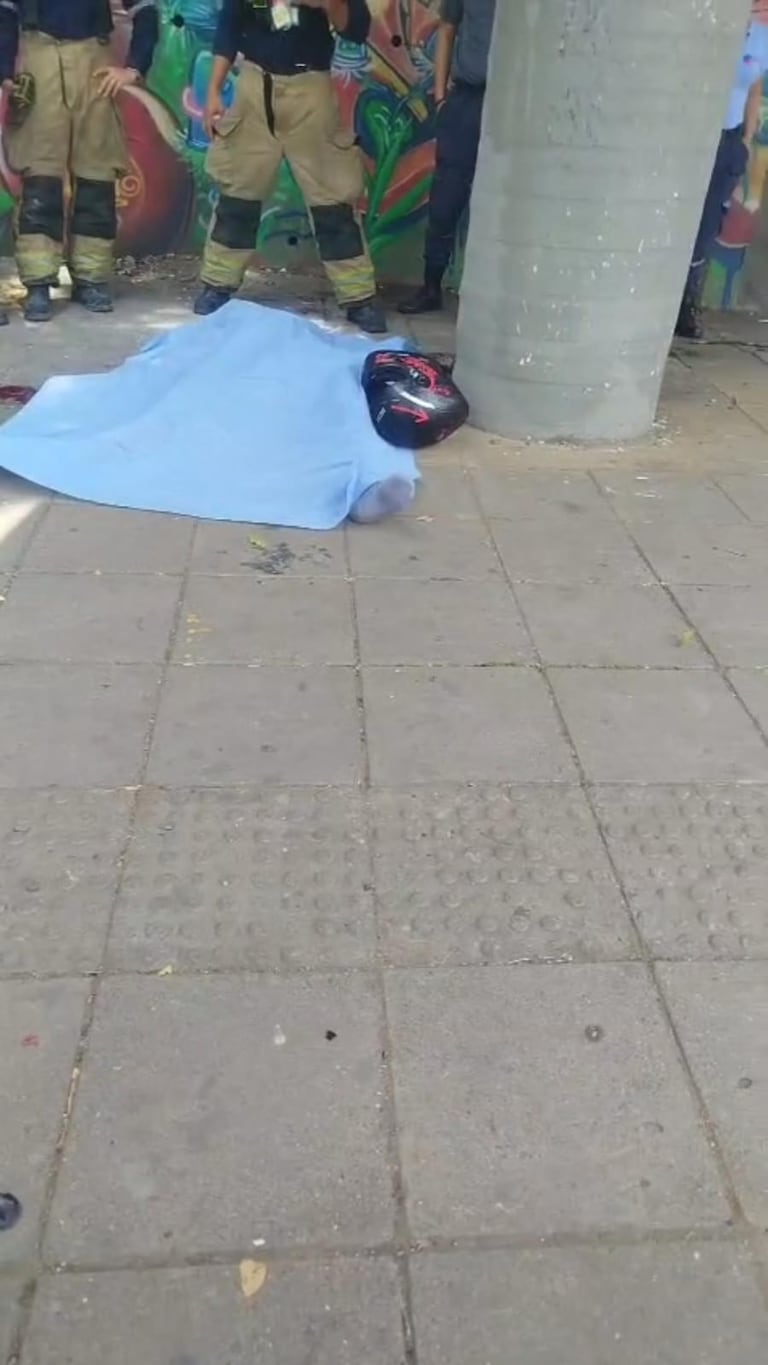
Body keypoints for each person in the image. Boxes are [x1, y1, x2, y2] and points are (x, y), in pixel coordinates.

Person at [194, 0, 386, 334]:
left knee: (333, 199)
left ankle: (359, 298)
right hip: (254, 88)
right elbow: (228, 30)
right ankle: (218, 285)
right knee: (238, 193)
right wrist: (212, 91)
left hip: (310, 92)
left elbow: (355, 29)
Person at [0, 0, 158, 324]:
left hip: (94, 64)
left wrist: (134, 68)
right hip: (38, 61)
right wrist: (4, 72)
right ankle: (39, 283)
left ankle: (92, 278)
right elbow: (5, 13)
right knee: (40, 176)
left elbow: (146, 9)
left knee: (96, 175)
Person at [399, 0, 496, 316]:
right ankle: (430, 287)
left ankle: (495, 299)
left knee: (504, 205)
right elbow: (448, 28)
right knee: (446, 198)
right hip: (467, 98)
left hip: (514, 101)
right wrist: (441, 96)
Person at [676, 18, 768, 339]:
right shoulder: (711, 22)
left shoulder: (762, 36)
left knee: (709, 222)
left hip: (728, 139)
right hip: (689, 134)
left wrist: (747, 137)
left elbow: (754, 89)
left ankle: (687, 306)